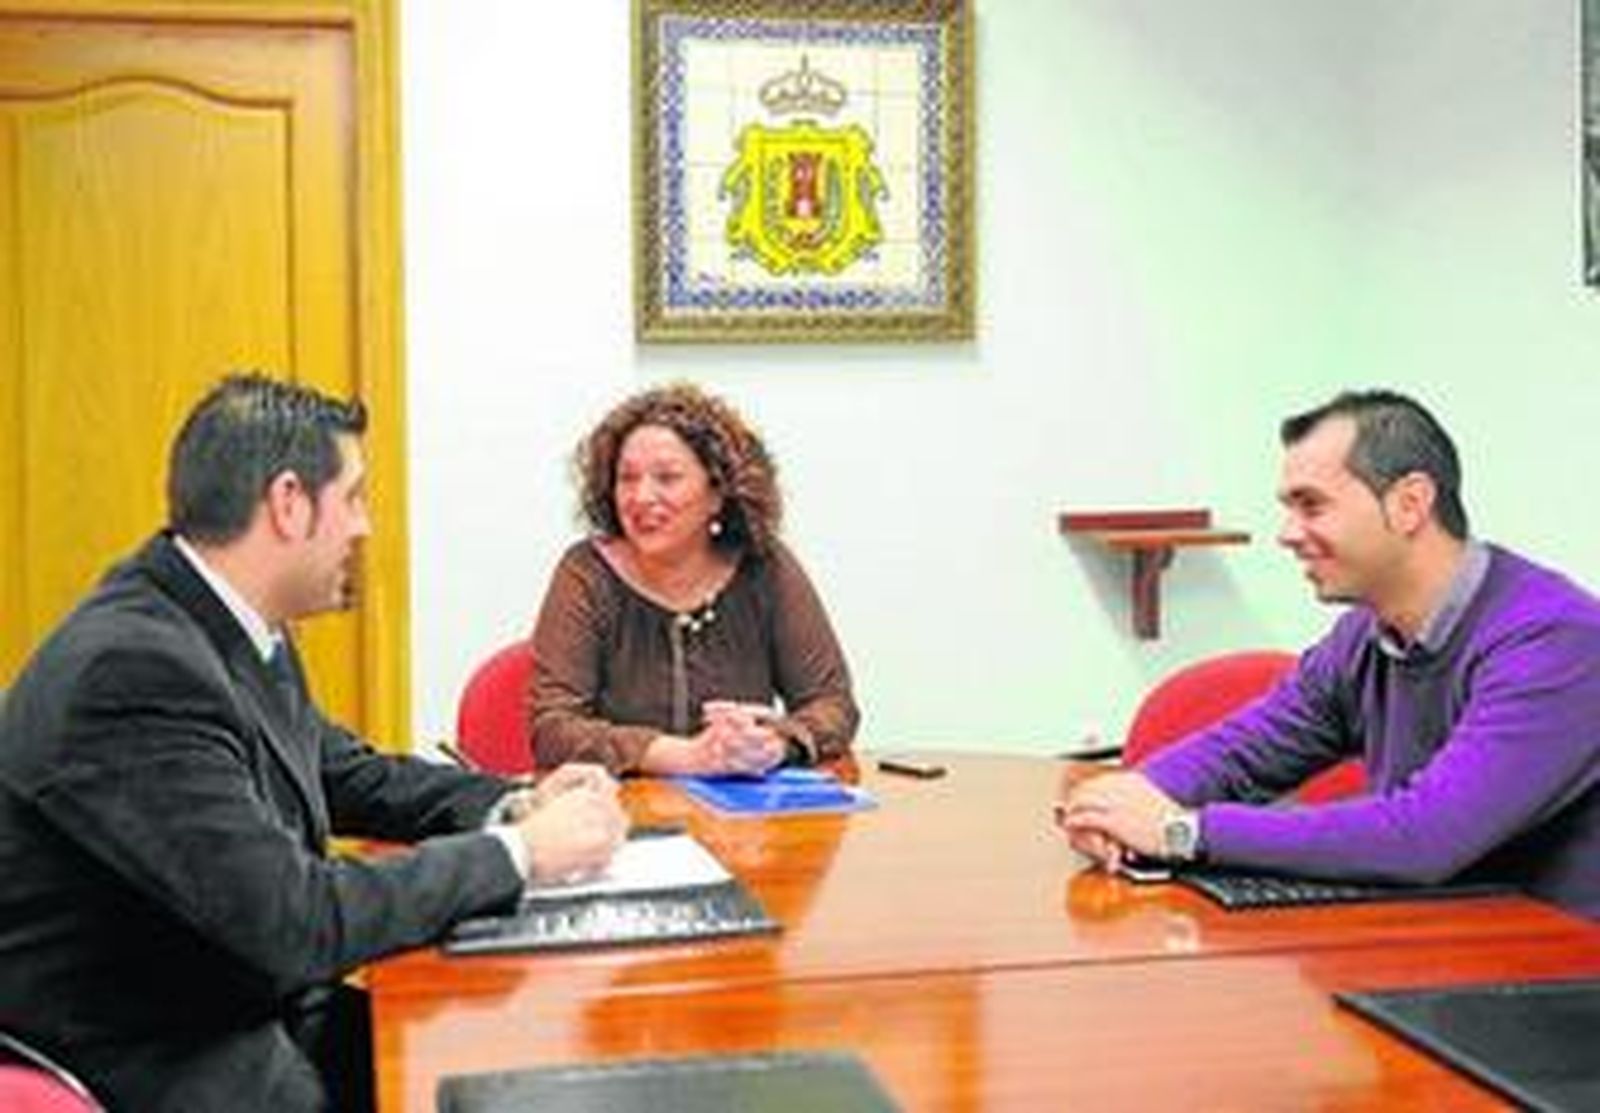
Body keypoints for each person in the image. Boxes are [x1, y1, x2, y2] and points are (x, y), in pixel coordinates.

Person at [0, 374, 629, 1112]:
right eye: (355, 497)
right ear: (290, 503)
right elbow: (294, 922)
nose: (364, 526)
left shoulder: (224, 618)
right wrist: (524, 854)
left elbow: (342, 772)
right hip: (165, 1056)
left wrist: (515, 801)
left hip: (243, 1006)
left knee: (523, 1054)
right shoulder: (132, 668)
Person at [1056, 389, 1600, 920]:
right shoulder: (1364, 636)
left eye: (1311, 506)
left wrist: (1181, 832)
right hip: (1435, 939)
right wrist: (1128, 799)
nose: (1288, 534)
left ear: (1410, 503)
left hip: (1554, 975)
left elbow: (1427, 835)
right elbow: (1247, 749)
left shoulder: (1555, 640)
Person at [531, 382, 859, 776]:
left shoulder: (765, 566)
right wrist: (682, 756)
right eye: (627, 478)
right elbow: (553, 728)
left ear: (718, 492)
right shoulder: (585, 572)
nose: (641, 497)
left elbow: (833, 704)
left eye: (667, 478)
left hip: (746, 825)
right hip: (618, 814)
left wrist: (775, 743)